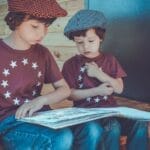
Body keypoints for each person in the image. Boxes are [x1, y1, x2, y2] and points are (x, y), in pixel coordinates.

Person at [62, 9, 148, 150]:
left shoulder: (109, 60)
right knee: (112, 127)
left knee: (139, 123)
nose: (85, 47)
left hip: (111, 111)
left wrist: (99, 74)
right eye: (79, 43)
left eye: (90, 41)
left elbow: (119, 88)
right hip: (85, 114)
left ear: (100, 38)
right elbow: (70, 94)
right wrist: (97, 91)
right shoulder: (71, 64)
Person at [0, 0, 74, 149]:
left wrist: (41, 100)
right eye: (35, 26)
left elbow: (64, 89)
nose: (42, 33)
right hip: (9, 122)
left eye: (46, 26)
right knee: (62, 137)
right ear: (16, 20)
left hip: (42, 118)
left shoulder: (43, 53)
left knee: (87, 130)